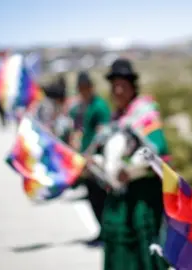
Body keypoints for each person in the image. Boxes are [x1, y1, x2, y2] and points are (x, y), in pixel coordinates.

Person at [98, 59, 169, 270]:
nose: (118, 91)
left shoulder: (144, 112)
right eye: (114, 86)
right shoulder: (116, 118)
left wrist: (129, 170)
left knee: (145, 245)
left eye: (123, 85)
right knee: (118, 244)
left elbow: (157, 148)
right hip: (120, 195)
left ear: (132, 86)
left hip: (142, 195)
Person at [70, 71, 111, 247]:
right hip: (85, 159)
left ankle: (107, 232)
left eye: (85, 88)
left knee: (101, 197)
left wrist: (90, 152)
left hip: (96, 159)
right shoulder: (81, 107)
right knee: (92, 197)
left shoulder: (99, 106)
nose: (83, 91)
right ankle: (102, 231)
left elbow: (102, 132)